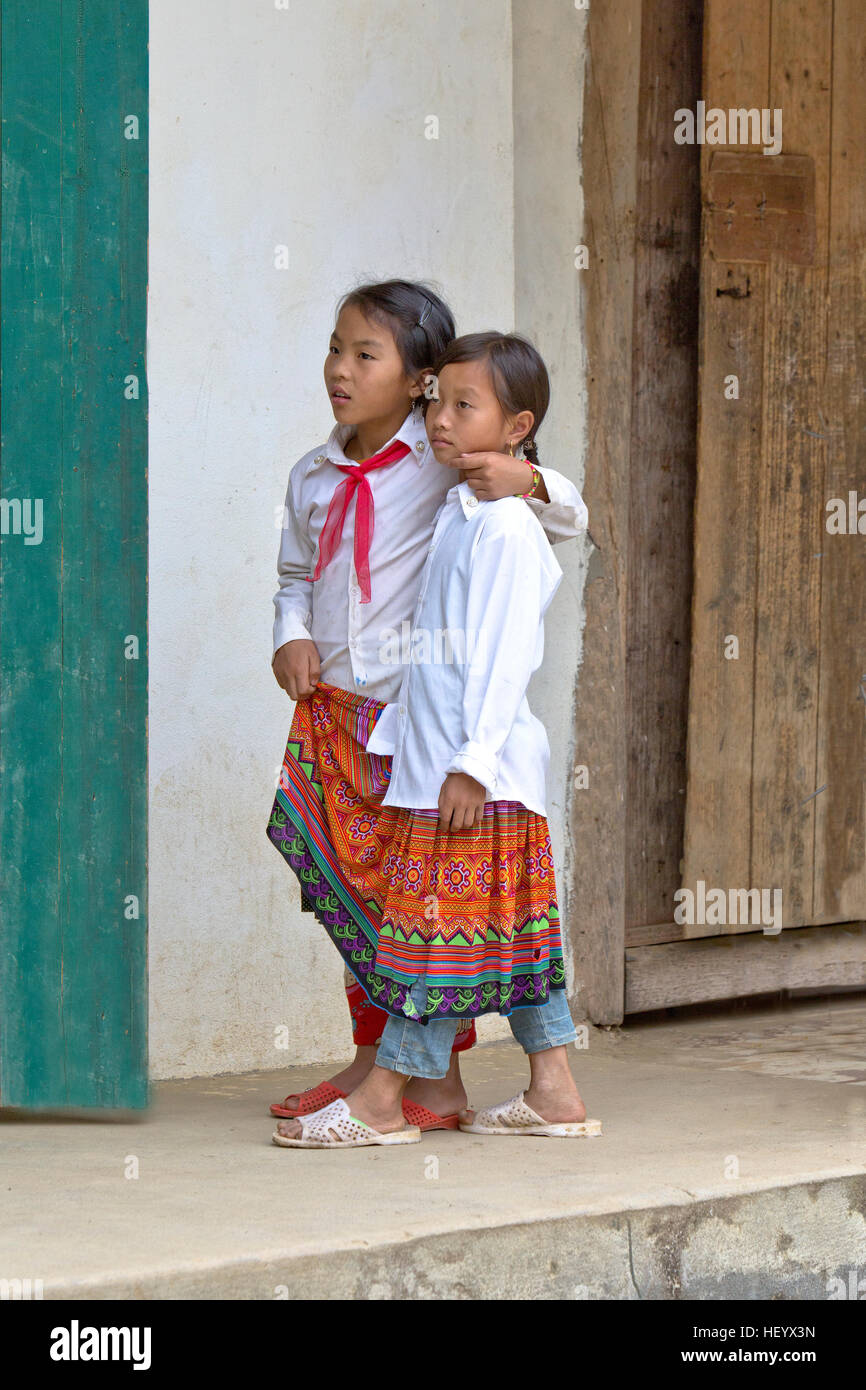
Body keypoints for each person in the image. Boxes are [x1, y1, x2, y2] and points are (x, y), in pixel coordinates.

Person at [266, 284, 589, 1132]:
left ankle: (390, 1086)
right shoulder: (317, 474)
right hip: (341, 714)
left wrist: (531, 476)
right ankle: (452, 1079)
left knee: (421, 911)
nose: (340, 369)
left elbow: (561, 522)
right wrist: (289, 632)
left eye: (365, 354)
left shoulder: (453, 471)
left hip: (422, 730)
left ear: (416, 382)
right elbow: (295, 576)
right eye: (335, 349)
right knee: (357, 896)